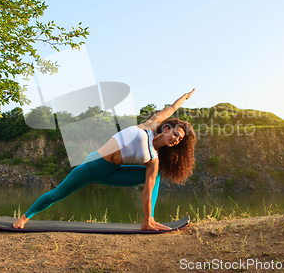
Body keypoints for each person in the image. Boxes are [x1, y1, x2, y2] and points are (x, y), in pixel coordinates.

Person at [13, 89, 196, 231]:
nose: (176, 139)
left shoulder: (153, 160)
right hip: (93, 165)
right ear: (165, 130)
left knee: (155, 178)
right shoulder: (148, 126)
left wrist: (147, 218)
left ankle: (148, 221)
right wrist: (185, 97)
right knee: (58, 194)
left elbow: (147, 192)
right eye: (176, 134)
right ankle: (24, 217)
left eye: (180, 139)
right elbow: (171, 109)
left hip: (113, 173)